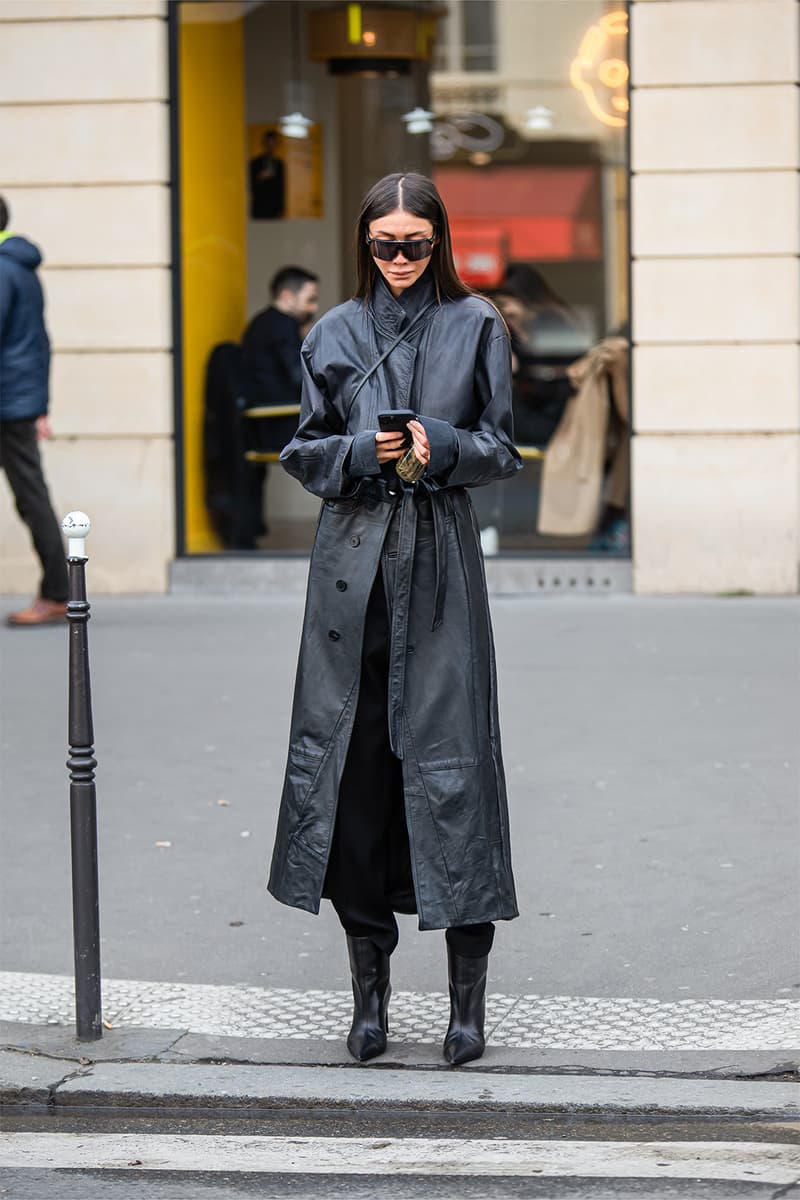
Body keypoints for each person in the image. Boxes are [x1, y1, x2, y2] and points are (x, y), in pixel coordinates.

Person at [268, 172, 521, 1066]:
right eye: (386, 246)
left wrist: (439, 446)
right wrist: (358, 451)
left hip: (443, 568)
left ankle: (466, 1004)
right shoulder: (333, 330)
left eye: (417, 244)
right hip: (351, 575)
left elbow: (502, 445)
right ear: (365, 244)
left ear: (440, 241)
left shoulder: (477, 322)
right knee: (356, 784)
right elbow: (302, 445)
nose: (402, 260)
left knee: (455, 775)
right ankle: (368, 999)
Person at [0, 195, 68, 626]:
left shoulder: (4, 269)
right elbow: (39, 343)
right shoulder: (17, 268)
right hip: (16, 400)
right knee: (32, 496)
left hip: (6, 401)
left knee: (32, 498)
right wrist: (39, 404)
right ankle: (58, 590)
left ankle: (58, 591)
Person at [236, 266, 320, 548]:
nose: (314, 307)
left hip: (268, 420)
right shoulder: (281, 326)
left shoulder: (265, 324)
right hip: (276, 421)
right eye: (309, 299)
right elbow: (300, 377)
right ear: (287, 295)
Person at [493, 264, 589, 448]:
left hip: (554, 423)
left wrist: (516, 372)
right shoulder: (514, 333)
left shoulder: (554, 328)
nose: (505, 314)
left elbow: (553, 382)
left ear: (529, 303)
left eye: (506, 305)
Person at [249, 130, 286, 220]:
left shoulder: (280, 164)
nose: (271, 146)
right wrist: (260, 177)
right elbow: (249, 185)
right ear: (264, 143)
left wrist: (281, 208)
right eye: (269, 143)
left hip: (274, 207)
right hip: (259, 206)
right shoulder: (255, 163)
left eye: (273, 143)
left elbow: (282, 187)